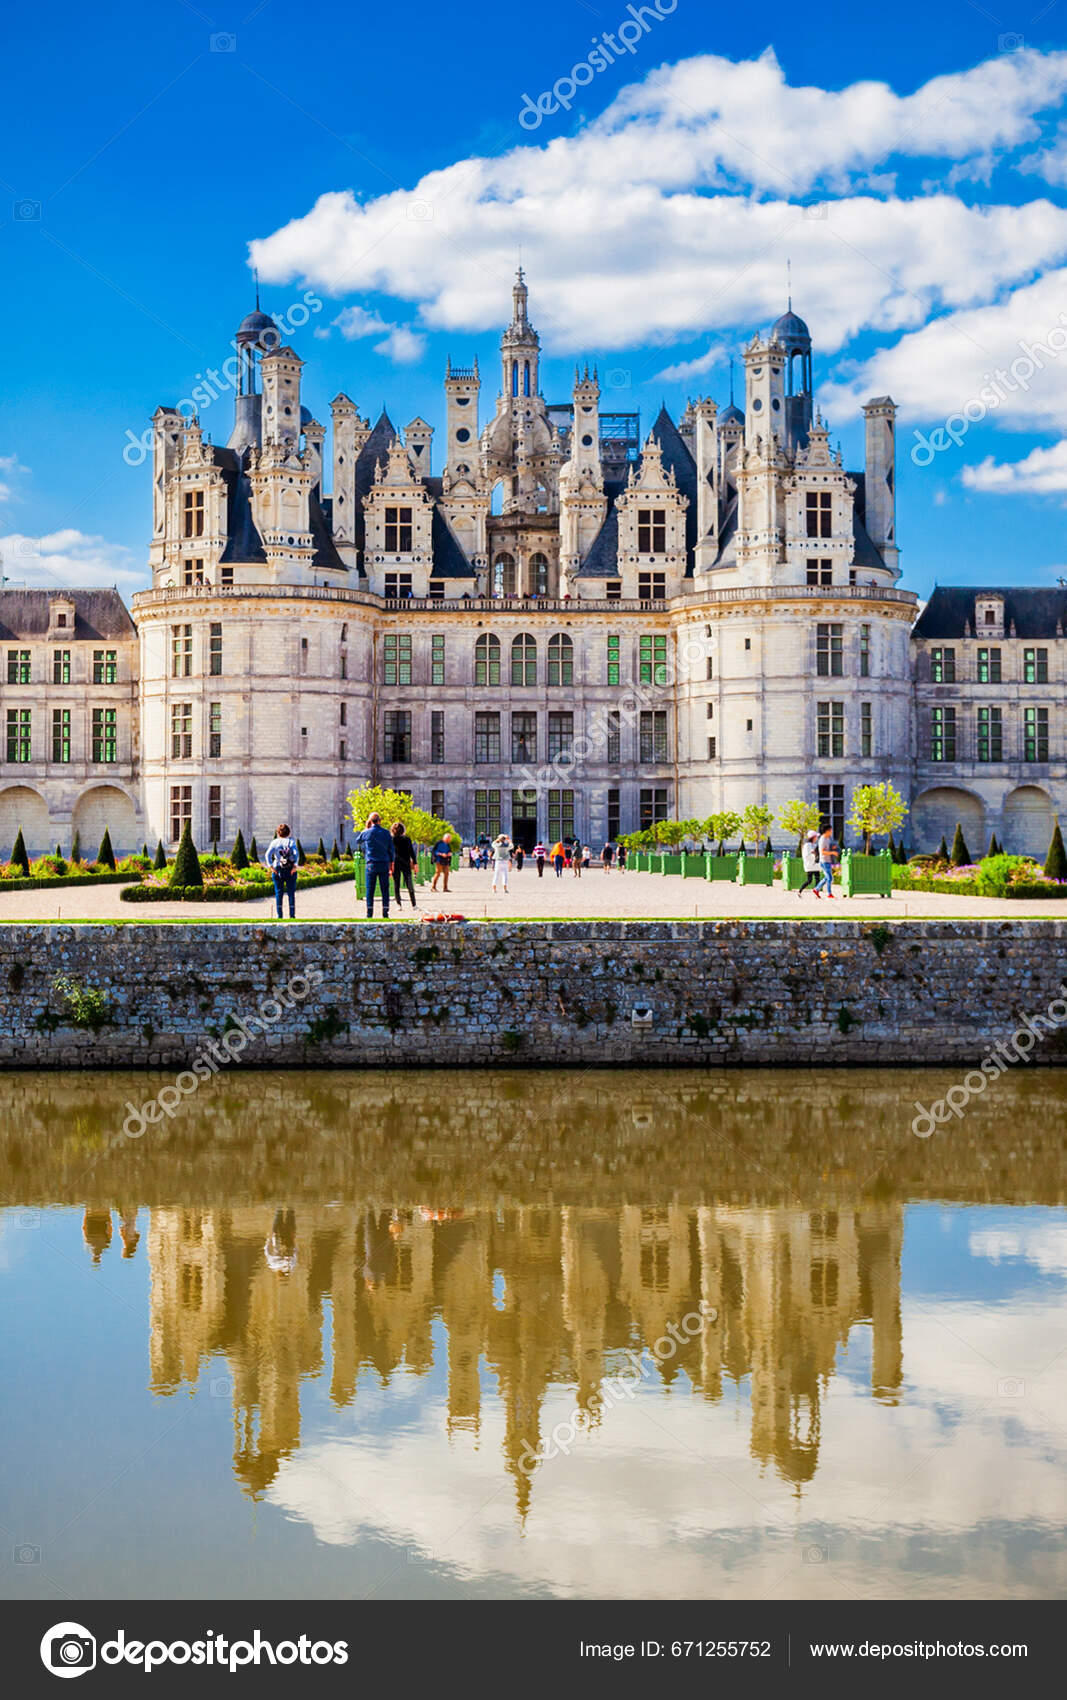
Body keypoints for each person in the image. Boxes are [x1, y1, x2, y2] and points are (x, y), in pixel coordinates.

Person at [356, 810, 395, 918]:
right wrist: (391, 866)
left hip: (371, 864)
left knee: (370, 889)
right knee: (385, 889)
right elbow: (391, 851)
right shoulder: (386, 833)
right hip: (383, 864)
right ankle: (385, 912)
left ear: (370, 821)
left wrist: (366, 827)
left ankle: (369, 913)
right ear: (379, 821)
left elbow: (358, 841)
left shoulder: (366, 832)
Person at [266, 822, 300, 919]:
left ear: (278, 833)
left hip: (278, 868)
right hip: (290, 869)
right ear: (289, 833)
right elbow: (296, 854)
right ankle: (292, 915)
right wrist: (295, 866)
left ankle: (279, 915)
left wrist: (271, 866)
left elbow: (267, 854)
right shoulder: (291, 842)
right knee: (291, 893)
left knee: (278, 893)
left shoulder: (274, 842)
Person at [390, 820, 417, 909]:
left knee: (396, 884)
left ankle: (399, 904)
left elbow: (389, 852)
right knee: (409, 884)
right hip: (406, 863)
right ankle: (414, 904)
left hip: (395, 863)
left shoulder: (391, 839)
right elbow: (412, 852)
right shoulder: (407, 839)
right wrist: (415, 863)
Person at [797, 830, 821, 897]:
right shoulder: (807, 845)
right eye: (816, 837)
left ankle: (817, 894)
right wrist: (814, 854)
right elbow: (806, 855)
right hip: (810, 865)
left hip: (816, 865)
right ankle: (800, 891)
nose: (817, 838)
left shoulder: (815, 845)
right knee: (809, 880)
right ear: (813, 837)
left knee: (817, 879)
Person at [817, 824, 838, 898]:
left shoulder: (828, 838)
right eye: (831, 830)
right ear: (827, 831)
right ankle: (829, 893)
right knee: (829, 878)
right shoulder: (822, 839)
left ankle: (816, 889)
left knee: (827, 877)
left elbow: (827, 849)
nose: (831, 831)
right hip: (824, 861)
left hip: (828, 860)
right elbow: (822, 852)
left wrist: (832, 848)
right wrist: (832, 852)